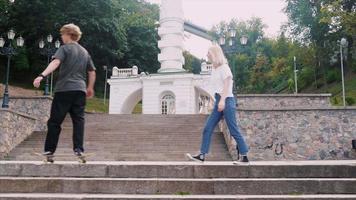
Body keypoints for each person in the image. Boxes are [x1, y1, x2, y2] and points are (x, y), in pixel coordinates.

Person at [33, 23, 96, 157]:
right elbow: (92, 71)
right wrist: (90, 87)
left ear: (68, 34)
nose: (61, 37)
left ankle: (49, 150)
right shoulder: (85, 52)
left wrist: (41, 75)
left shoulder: (64, 48)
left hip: (64, 90)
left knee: (55, 121)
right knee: (79, 120)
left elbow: (55, 63)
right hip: (80, 90)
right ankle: (79, 149)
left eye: (62, 34)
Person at [186, 44, 249, 163]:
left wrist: (223, 100)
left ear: (215, 54)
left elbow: (227, 84)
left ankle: (244, 155)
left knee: (233, 129)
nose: (207, 55)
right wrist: (217, 101)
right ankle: (202, 155)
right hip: (219, 101)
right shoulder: (214, 69)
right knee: (207, 128)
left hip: (227, 100)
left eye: (209, 52)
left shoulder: (224, 67)